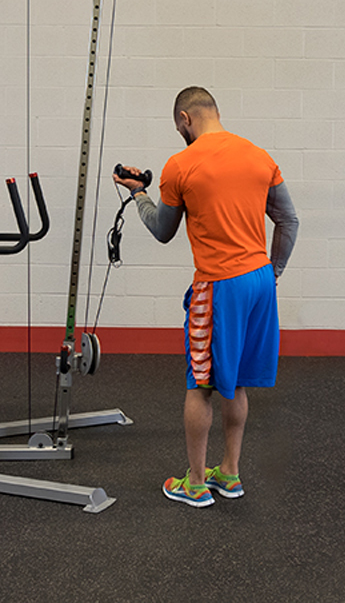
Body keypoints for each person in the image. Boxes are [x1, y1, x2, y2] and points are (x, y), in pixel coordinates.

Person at [113, 86, 299, 508]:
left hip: (220, 285)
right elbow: (289, 220)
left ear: (185, 119)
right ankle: (229, 473)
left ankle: (195, 483)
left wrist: (138, 193)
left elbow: (162, 230)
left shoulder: (181, 164)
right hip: (259, 282)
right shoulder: (259, 156)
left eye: (178, 125)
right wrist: (273, 272)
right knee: (237, 381)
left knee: (200, 384)